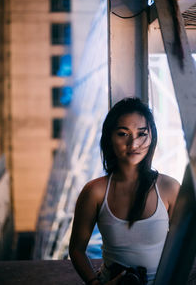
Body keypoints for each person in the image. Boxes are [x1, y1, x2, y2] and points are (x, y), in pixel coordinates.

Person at [69, 97, 180, 285]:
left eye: (142, 134)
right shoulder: (94, 192)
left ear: (152, 136)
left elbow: (185, 246)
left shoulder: (169, 188)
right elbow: (77, 249)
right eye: (123, 134)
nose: (133, 144)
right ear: (109, 138)